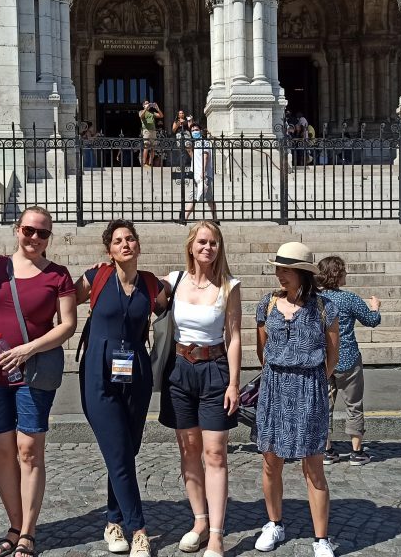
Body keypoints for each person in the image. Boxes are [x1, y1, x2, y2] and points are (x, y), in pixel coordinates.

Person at [0, 206, 77, 557]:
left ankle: (28, 533)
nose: (35, 238)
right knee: (1, 452)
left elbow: (67, 325)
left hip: (32, 373)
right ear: (17, 230)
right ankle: (14, 525)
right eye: (29, 231)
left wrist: (26, 349)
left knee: (29, 450)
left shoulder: (58, 276)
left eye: (43, 233)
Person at [75, 219, 165, 557]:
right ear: (109, 250)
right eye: (117, 241)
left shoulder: (151, 284)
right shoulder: (95, 278)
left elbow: (169, 307)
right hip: (98, 371)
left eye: (130, 239)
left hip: (136, 372)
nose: (125, 244)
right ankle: (137, 528)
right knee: (117, 450)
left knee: (128, 449)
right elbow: (64, 301)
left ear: (138, 245)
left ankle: (112, 522)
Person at [254, 242, 340, 557]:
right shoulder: (266, 304)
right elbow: (262, 350)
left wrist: (310, 380)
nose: (280, 275)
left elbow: (333, 356)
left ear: (303, 273)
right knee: (270, 461)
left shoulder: (324, 307)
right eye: (278, 268)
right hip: (275, 388)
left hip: (310, 389)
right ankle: (274, 523)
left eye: (286, 269)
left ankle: (321, 539)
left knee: (313, 466)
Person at [161, 221, 241, 557]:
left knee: (215, 453)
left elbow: (234, 337)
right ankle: (199, 521)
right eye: (203, 242)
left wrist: (234, 383)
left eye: (214, 243)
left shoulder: (229, 285)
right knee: (189, 449)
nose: (208, 248)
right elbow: (141, 297)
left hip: (214, 370)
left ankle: (218, 536)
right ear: (191, 245)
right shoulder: (172, 280)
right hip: (179, 370)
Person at [315, 256, 381, 465]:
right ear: (338, 274)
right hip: (348, 358)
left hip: (323, 360)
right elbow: (371, 321)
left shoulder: (315, 300)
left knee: (323, 406)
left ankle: (326, 450)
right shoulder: (349, 299)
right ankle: (356, 451)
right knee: (354, 405)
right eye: (344, 272)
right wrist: (375, 307)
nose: (346, 275)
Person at [184, 124, 217, 223]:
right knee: (206, 198)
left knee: (199, 197)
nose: (194, 132)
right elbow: (196, 159)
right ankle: (215, 218)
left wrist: (203, 171)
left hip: (203, 175)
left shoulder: (204, 142)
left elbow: (205, 156)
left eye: (196, 130)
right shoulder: (197, 143)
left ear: (201, 130)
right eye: (192, 130)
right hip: (198, 175)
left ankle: (184, 218)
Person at [139, 100, 163, 169]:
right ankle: (144, 163)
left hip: (153, 131)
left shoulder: (152, 113)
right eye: (146, 103)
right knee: (146, 146)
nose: (148, 104)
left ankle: (150, 163)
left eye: (148, 103)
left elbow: (161, 115)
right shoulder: (141, 111)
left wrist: (157, 108)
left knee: (153, 147)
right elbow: (141, 116)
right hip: (146, 130)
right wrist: (146, 108)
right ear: (143, 105)